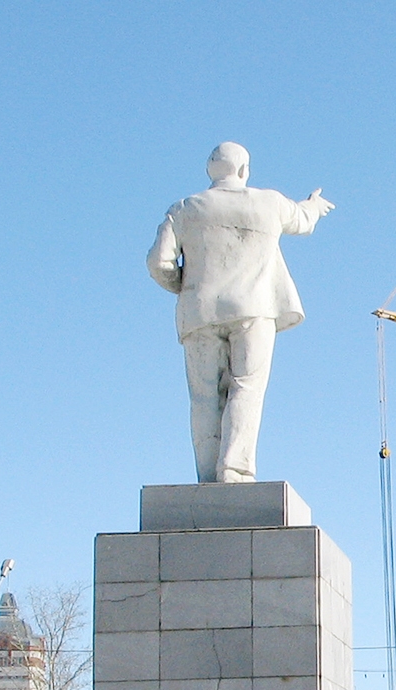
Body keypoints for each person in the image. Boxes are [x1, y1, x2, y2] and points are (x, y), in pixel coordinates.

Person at [147, 142, 335, 484]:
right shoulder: (269, 203)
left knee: (204, 396)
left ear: (210, 170)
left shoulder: (183, 209)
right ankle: (234, 468)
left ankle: (207, 476)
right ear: (244, 170)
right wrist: (315, 204)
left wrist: (184, 286)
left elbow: (159, 262)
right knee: (246, 387)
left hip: (199, 311)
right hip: (254, 309)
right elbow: (303, 219)